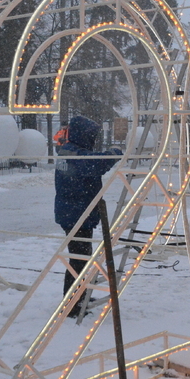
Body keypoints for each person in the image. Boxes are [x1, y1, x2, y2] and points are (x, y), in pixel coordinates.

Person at [55, 115, 123, 318]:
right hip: (76, 214)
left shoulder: (70, 150)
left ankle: (79, 295)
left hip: (76, 213)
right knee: (78, 260)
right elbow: (95, 166)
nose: (93, 140)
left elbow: (91, 162)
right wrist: (113, 154)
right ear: (83, 135)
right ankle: (72, 304)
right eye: (91, 136)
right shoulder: (74, 155)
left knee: (82, 258)